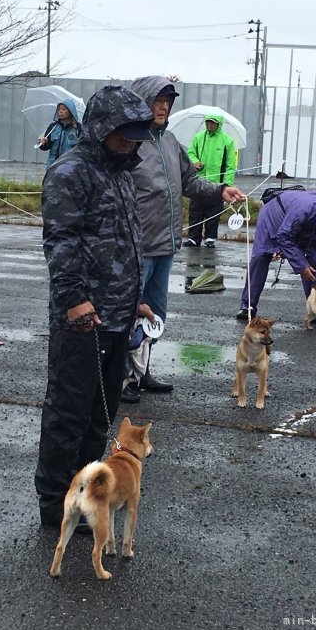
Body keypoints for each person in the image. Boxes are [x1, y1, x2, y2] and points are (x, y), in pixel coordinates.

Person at [35, 85, 155, 528]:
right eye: (124, 134)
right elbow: (61, 242)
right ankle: (55, 505)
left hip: (118, 314)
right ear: (103, 127)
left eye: (137, 135)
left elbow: (123, 242)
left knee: (97, 418)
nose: (131, 142)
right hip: (81, 317)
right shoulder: (71, 172)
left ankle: (86, 497)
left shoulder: (121, 172)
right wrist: (75, 300)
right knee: (68, 412)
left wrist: (133, 298)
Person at [121, 75, 246, 403]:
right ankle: (123, 379)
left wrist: (221, 190)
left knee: (156, 313)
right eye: (157, 101)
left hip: (166, 245)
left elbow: (190, 181)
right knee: (131, 312)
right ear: (142, 103)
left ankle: (141, 370)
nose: (162, 107)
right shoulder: (129, 143)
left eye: (167, 102)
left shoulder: (170, 142)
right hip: (137, 246)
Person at [236, 187, 316, 321]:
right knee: (261, 257)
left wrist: (299, 258)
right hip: (272, 216)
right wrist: (300, 264)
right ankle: (247, 307)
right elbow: (284, 236)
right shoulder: (303, 211)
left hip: (297, 226)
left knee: (313, 263)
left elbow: (315, 247)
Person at [185, 114, 237, 248]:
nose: (210, 125)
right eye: (208, 122)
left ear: (219, 124)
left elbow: (231, 165)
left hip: (217, 184)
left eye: (213, 123)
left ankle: (210, 238)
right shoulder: (198, 138)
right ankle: (193, 238)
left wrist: (227, 185)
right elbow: (190, 153)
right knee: (195, 211)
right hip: (198, 182)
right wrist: (195, 162)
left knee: (213, 213)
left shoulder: (227, 141)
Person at [39, 98, 81, 169]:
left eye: (64, 109)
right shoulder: (53, 127)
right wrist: (44, 142)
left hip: (70, 167)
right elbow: (45, 147)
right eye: (59, 109)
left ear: (71, 111)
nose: (60, 111)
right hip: (53, 166)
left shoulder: (78, 128)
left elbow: (81, 148)